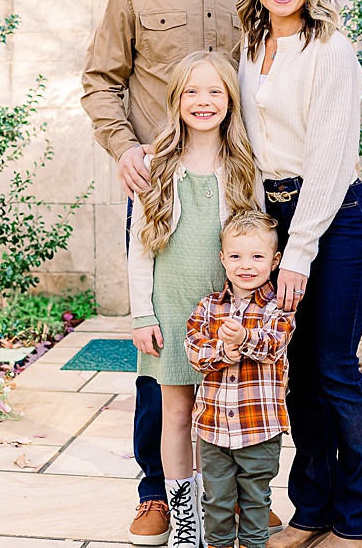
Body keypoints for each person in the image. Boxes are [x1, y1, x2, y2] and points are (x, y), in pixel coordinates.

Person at [81, 0, 253, 544]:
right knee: (161, 351)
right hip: (161, 194)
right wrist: (123, 147)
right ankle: (158, 495)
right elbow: (100, 80)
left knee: (240, 344)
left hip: (240, 192)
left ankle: (231, 494)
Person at [236, 0, 362, 548]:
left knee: (332, 367)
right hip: (274, 217)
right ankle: (312, 511)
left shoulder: (332, 50)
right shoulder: (251, 47)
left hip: (335, 219)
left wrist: (297, 253)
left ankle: (361, 519)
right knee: (296, 373)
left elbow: (329, 160)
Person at [129, 51, 261, 548]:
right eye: (192, 92)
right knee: (176, 416)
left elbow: (257, 244)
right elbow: (140, 249)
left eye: (215, 92)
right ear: (175, 99)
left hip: (226, 319)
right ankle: (184, 523)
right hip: (171, 312)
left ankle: (222, 514)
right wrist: (142, 314)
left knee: (222, 418)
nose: (203, 102)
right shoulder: (156, 166)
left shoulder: (245, 167)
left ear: (230, 101)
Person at [185, 210, 295, 548]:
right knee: (216, 500)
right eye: (236, 256)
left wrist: (244, 338)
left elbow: (274, 344)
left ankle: (252, 544)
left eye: (257, 256)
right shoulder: (208, 307)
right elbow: (194, 349)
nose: (245, 265)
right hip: (213, 428)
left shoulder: (279, 307)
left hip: (260, 427)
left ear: (275, 261)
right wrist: (224, 350)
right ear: (222, 258)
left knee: (255, 498)